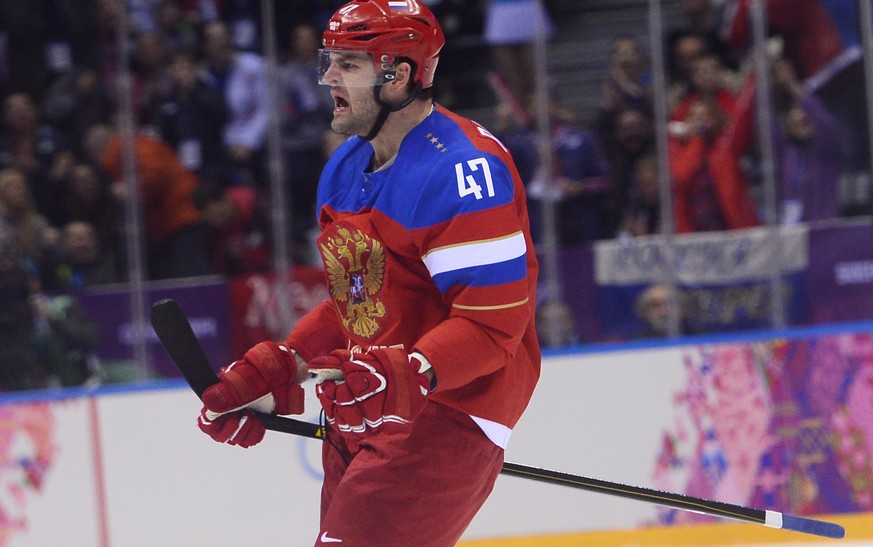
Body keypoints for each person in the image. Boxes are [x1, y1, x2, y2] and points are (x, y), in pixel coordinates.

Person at [194, 2, 541, 546]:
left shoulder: (462, 170)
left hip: (450, 409)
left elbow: (494, 326)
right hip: (366, 408)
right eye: (329, 61)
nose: (327, 77)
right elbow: (359, 300)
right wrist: (291, 361)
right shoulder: (343, 167)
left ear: (399, 75)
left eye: (348, 65)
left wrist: (415, 371)